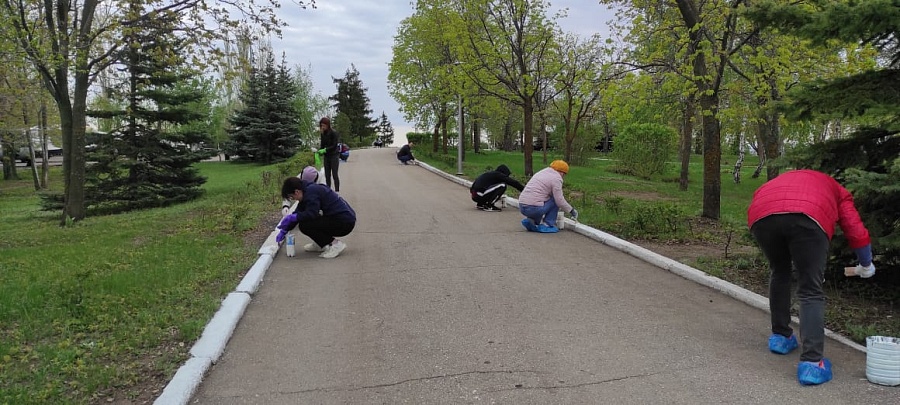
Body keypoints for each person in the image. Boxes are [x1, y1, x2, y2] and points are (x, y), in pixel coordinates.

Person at [747, 169, 874, 386]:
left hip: (762, 216)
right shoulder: (838, 190)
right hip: (808, 217)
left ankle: (781, 337)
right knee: (810, 289)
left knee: (780, 271)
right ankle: (813, 364)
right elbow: (855, 229)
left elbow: (761, 194)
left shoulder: (786, 178)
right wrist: (866, 264)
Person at [277, 176, 357, 259]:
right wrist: (285, 230)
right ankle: (321, 243)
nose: (294, 199)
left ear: (296, 192)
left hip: (344, 222)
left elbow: (312, 213)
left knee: (305, 225)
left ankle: (335, 244)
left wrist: (295, 217)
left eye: (292, 197)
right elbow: (299, 211)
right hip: (341, 219)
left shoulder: (311, 193)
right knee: (306, 220)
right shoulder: (307, 190)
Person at [518, 160, 577, 233]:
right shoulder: (556, 178)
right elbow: (559, 200)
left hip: (522, 206)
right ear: (562, 172)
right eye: (564, 174)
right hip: (534, 209)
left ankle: (532, 221)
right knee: (554, 200)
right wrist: (571, 210)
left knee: (541, 199)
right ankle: (548, 224)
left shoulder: (542, 172)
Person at [317, 117, 341, 192]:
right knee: (327, 175)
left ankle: (337, 191)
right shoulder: (323, 134)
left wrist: (325, 149)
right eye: (321, 125)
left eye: (324, 125)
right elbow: (322, 145)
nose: (323, 127)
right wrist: (320, 151)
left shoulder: (333, 133)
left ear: (328, 125)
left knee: (334, 174)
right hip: (326, 156)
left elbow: (334, 145)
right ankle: (328, 191)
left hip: (334, 155)